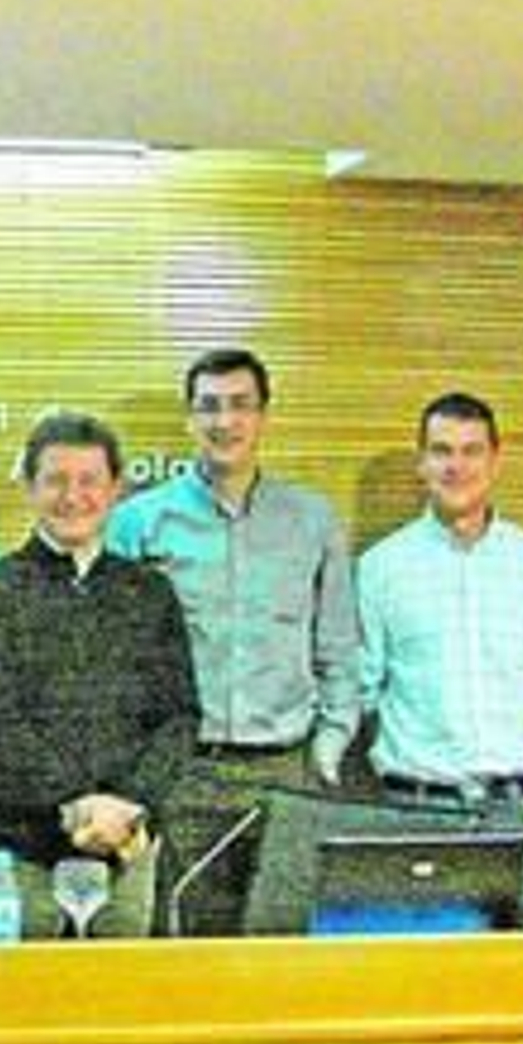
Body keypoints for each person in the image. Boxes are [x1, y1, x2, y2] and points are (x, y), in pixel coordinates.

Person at [107, 347, 358, 936]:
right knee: (180, 941)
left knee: (281, 944)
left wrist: (330, 745)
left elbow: (340, 649)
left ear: (264, 415)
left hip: (287, 771)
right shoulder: (140, 522)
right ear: (190, 419)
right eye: (209, 407)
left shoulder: (313, 520)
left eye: (240, 406)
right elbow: (112, 657)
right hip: (183, 772)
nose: (225, 422)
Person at [0, 413, 198, 939]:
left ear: (116, 489)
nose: (73, 496)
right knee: (12, 1007)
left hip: (126, 850)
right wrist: (79, 807)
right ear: (30, 488)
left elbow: (178, 717)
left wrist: (129, 807)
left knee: (123, 1009)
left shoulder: (150, 594)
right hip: (17, 855)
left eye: (89, 481)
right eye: (56, 480)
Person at [358, 392, 523, 927]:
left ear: (495, 461)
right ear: (421, 462)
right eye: (441, 451)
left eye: (471, 451)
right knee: (420, 986)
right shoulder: (380, 567)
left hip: (518, 811)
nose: (455, 466)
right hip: (415, 813)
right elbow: (366, 687)